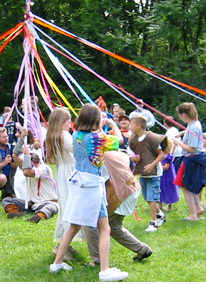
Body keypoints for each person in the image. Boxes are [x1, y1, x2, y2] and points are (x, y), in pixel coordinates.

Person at [50, 104, 129, 282]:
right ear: (95, 119)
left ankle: (57, 263)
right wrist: (112, 123)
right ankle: (105, 270)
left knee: (74, 225)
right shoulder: (98, 137)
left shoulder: (76, 135)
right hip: (93, 186)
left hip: (78, 184)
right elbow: (120, 141)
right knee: (104, 228)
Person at [85, 150, 153, 264]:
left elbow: (98, 180)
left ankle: (98, 260)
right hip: (132, 189)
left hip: (120, 193)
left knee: (92, 222)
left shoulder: (98, 157)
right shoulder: (117, 152)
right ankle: (143, 249)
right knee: (114, 226)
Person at [45, 107, 86, 261]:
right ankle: (62, 245)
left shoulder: (54, 135)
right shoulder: (65, 136)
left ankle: (65, 244)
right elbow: (78, 150)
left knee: (66, 206)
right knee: (72, 207)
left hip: (63, 172)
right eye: (68, 120)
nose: (71, 123)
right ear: (62, 122)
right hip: (69, 172)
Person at [3, 136, 58, 223]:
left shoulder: (44, 168)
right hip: (32, 203)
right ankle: (16, 213)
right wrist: (22, 139)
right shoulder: (27, 167)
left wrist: (27, 155)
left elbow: (27, 172)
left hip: (48, 202)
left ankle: (39, 216)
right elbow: (15, 155)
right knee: (7, 200)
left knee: (50, 208)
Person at [128, 115, 169, 231]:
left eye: (132, 124)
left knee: (152, 197)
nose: (130, 127)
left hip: (154, 173)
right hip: (143, 172)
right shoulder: (133, 139)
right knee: (147, 197)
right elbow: (131, 154)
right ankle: (160, 214)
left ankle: (153, 222)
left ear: (139, 126)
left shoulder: (151, 138)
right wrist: (133, 158)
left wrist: (152, 164)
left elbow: (161, 154)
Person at [172, 102, 206, 221]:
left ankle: (193, 214)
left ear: (184, 115)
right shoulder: (193, 124)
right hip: (192, 158)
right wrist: (183, 133)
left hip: (192, 159)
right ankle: (197, 208)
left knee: (186, 185)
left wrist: (178, 143)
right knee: (186, 184)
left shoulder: (193, 127)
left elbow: (191, 148)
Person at [12, 128, 42, 200]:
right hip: (23, 169)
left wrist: (26, 155)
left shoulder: (34, 147)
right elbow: (15, 153)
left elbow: (34, 161)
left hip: (31, 170)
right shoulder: (24, 146)